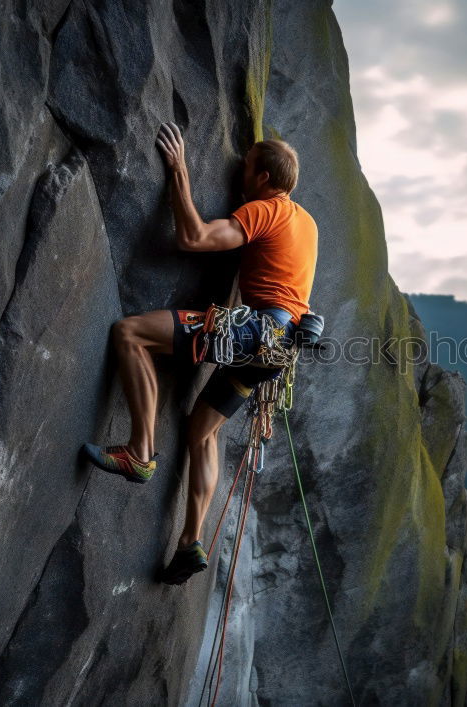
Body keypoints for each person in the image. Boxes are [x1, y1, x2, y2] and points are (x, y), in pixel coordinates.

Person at [81, 124, 319, 585]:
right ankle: (191, 540)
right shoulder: (306, 222)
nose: (240, 175)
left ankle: (139, 452)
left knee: (130, 334)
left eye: (247, 168)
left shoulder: (265, 210)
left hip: (254, 332)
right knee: (202, 431)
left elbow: (194, 237)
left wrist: (179, 170)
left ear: (266, 180)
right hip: (277, 349)